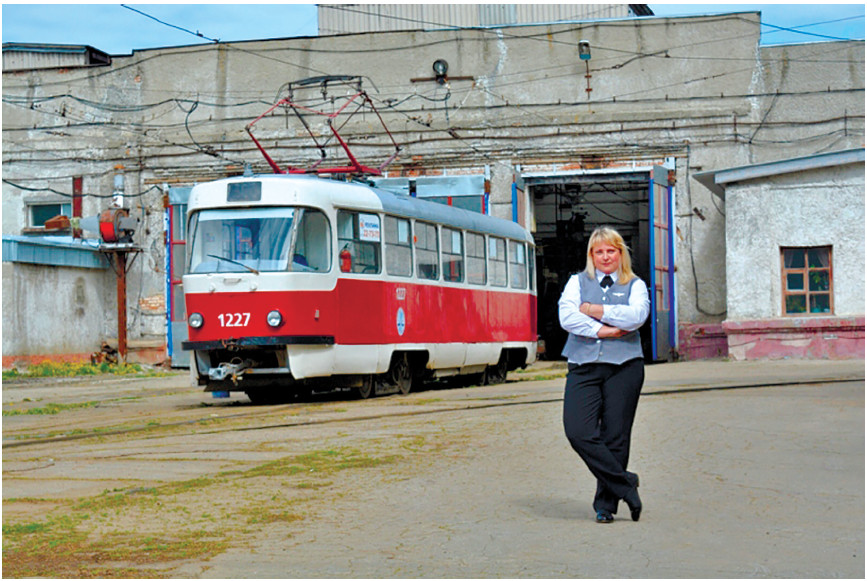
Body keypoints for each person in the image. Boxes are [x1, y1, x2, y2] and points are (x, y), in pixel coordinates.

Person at [558, 226, 650, 523]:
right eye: (599, 251)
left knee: (616, 436)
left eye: (611, 250)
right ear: (591, 255)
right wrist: (604, 330)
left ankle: (605, 506)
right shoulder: (576, 282)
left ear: (620, 253)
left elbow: (636, 317)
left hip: (625, 367)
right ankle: (625, 483)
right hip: (583, 366)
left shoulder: (636, 284)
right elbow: (568, 317)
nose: (605, 256)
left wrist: (594, 309)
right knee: (578, 431)